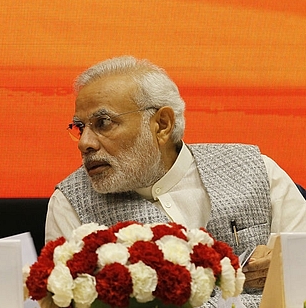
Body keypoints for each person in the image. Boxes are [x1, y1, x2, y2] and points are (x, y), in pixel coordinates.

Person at [45, 55, 306, 308]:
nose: (84, 143)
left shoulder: (257, 169)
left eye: (103, 123)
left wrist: (291, 268)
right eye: (80, 127)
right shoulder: (70, 202)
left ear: (162, 124)